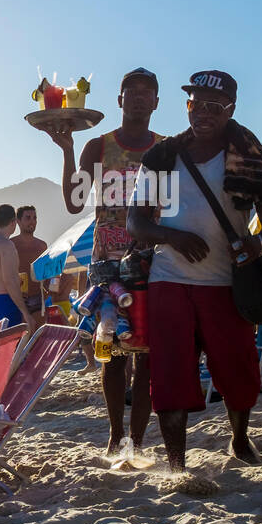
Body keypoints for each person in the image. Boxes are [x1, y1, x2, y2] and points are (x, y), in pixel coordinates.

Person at [127, 70, 262, 472]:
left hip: (228, 281)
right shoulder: (163, 157)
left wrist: (258, 242)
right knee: (170, 373)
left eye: (214, 106)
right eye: (196, 103)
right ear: (187, 106)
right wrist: (172, 237)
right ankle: (177, 464)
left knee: (238, 369)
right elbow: (136, 222)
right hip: (169, 278)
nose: (203, 113)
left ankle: (239, 438)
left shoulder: (255, 155)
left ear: (231, 109)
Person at [45, 67, 165, 453]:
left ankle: (140, 441)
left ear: (157, 103)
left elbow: (173, 205)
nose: (140, 98)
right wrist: (67, 150)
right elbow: (74, 202)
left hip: (152, 262)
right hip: (107, 265)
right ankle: (115, 436)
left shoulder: (166, 148)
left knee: (147, 355)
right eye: (132, 92)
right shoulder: (98, 146)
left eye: (148, 93)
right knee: (111, 353)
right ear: (119, 100)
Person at [0, 205, 39, 333]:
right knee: (10, 351)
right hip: (5, 303)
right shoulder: (6, 245)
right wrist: (25, 312)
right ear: (14, 222)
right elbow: (9, 280)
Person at [11, 207, 48, 321]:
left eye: (34, 218)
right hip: (17, 299)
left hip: (38, 298)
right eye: (28, 218)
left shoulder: (42, 246)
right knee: (21, 336)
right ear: (18, 221)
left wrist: (47, 293)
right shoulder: (11, 244)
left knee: (39, 335)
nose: (32, 221)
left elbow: (47, 273)